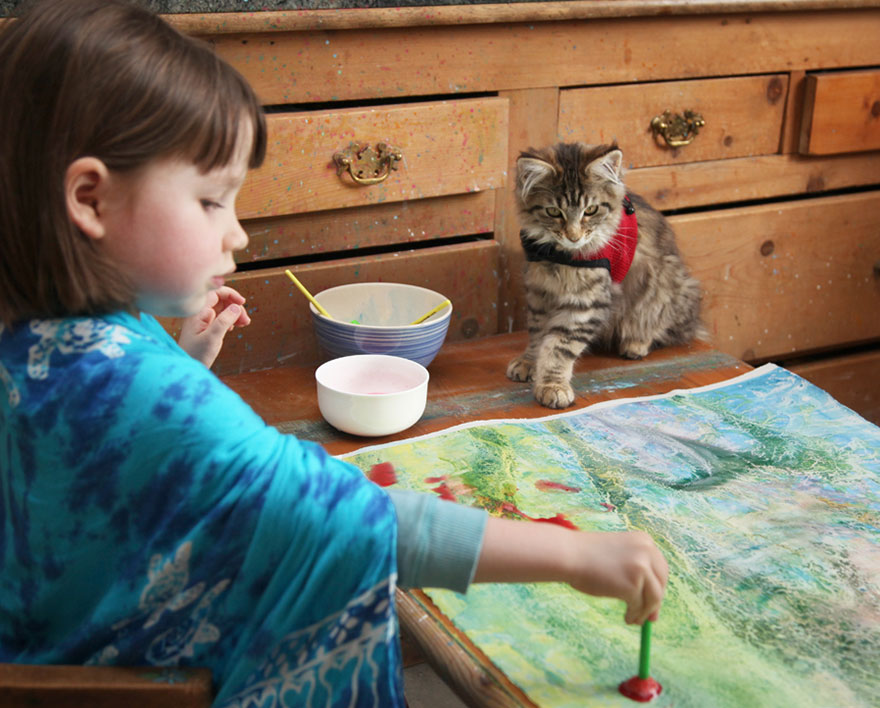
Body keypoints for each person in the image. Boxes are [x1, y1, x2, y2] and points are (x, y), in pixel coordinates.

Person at [0, 1, 668, 705]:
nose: (239, 236)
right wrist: (574, 553)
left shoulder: (41, 333)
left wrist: (185, 362)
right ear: (89, 199)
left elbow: (86, 456)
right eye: (211, 201)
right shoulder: (151, 400)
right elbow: (356, 522)